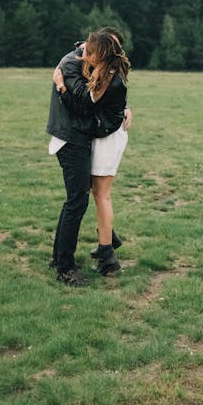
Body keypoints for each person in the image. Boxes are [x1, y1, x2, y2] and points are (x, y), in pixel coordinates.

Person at [51, 29, 131, 278]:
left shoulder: (105, 71)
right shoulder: (71, 64)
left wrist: (122, 109)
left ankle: (66, 259)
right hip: (72, 137)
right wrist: (62, 87)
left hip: (86, 137)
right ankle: (66, 265)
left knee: (84, 198)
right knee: (79, 200)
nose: (89, 57)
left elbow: (100, 99)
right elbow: (86, 104)